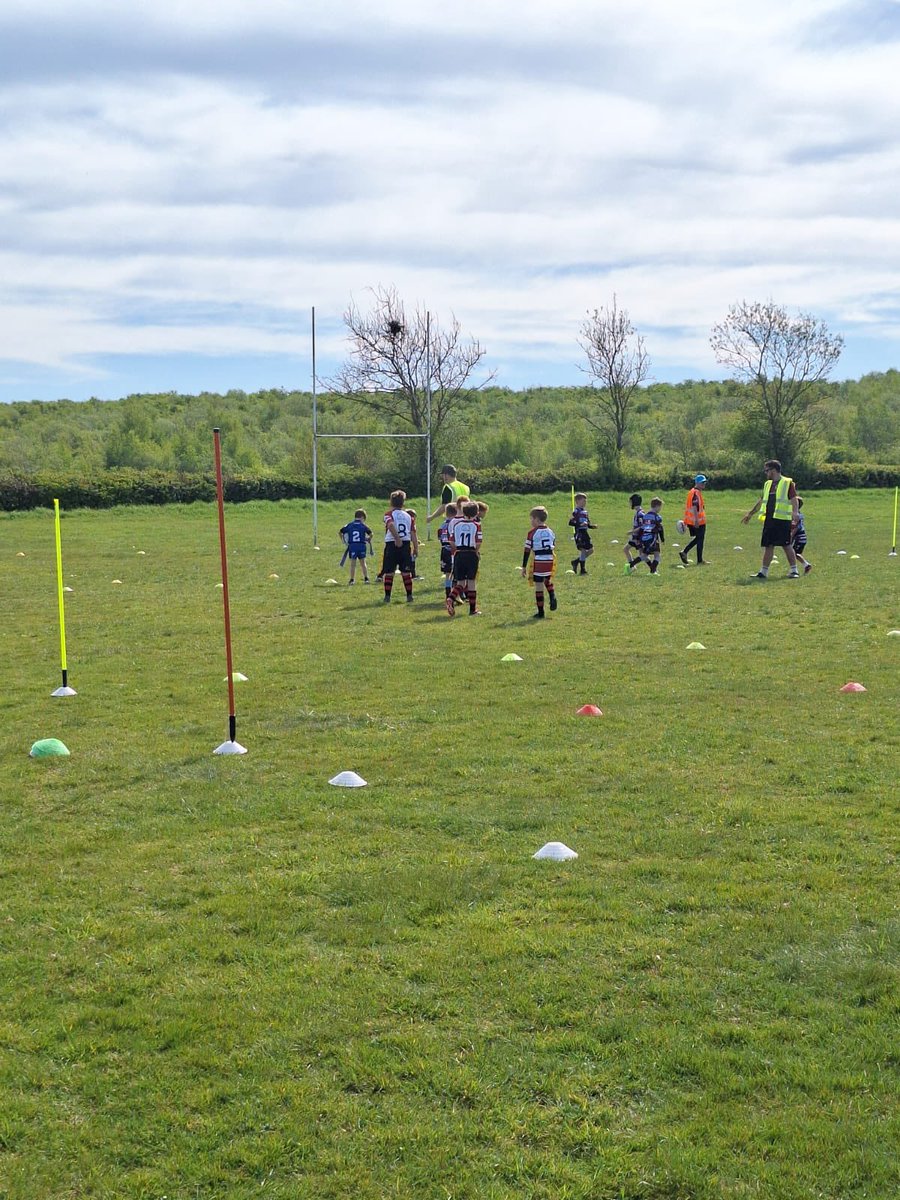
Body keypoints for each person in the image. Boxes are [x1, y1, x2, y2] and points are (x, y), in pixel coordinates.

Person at [742, 460, 800, 579]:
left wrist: (795, 512)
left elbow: (794, 499)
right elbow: (762, 500)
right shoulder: (768, 484)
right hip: (769, 520)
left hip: (782, 519)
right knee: (768, 545)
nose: (766, 473)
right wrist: (750, 513)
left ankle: (794, 570)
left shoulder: (787, 482)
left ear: (773, 470)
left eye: (767, 470)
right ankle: (763, 572)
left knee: (786, 544)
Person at [446, 501, 482, 616]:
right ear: (477, 513)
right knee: (471, 581)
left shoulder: (457, 525)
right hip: (471, 554)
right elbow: (478, 542)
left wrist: (457, 550)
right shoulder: (476, 525)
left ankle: (451, 598)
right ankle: (472, 609)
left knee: (460, 582)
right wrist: (475, 552)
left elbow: (451, 541)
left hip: (459, 554)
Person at [381, 489, 418, 602]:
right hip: (406, 545)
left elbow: (391, 525)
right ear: (403, 502)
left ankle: (387, 596)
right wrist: (416, 547)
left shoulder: (388, 514)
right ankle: (409, 595)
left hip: (392, 544)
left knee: (389, 572)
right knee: (406, 572)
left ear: (391, 502)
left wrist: (397, 538)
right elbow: (413, 533)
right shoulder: (408, 516)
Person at [521, 506, 558, 618]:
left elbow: (527, 550)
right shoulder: (551, 531)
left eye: (531, 519)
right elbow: (554, 544)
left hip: (539, 559)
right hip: (550, 558)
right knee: (546, 578)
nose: (531, 521)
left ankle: (541, 612)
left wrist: (523, 566)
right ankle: (552, 595)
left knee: (538, 585)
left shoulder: (532, 533)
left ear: (536, 519)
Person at [679, 474, 709, 565]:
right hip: (697, 521)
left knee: (699, 538)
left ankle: (685, 552)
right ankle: (698, 559)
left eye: (705, 482)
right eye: (702, 482)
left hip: (692, 520)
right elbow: (694, 506)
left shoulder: (693, 491)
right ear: (697, 483)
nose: (704, 484)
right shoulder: (696, 493)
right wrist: (696, 520)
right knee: (700, 539)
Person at [339, 509, 373, 584]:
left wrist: (343, 540)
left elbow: (340, 532)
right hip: (361, 546)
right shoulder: (363, 526)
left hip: (352, 546)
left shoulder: (349, 525)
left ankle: (352, 580)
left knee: (353, 564)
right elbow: (371, 534)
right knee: (363, 563)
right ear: (362, 517)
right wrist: (368, 539)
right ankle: (366, 578)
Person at [568, 492, 597, 574]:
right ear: (577, 501)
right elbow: (570, 522)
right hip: (579, 533)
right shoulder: (576, 512)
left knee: (591, 550)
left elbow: (587, 523)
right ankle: (582, 570)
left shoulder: (585, 512)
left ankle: (576, 561)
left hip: (585, 533)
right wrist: (579, 524)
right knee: (583, 550)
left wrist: (591, 526)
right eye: (583, 501)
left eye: (585, 501)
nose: (585, 503)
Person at [634, 497, 665, 573]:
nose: (660, 509)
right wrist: (662, 539)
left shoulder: (645, 516)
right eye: (660, 507)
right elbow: (660, 528)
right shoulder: (657, 517)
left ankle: (631, 564)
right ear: (657, 506)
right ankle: (652, 572)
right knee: (657, 556)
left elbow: (642, 528)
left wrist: (638, 538)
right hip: (653, 538)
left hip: (644, 538)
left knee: (644, 555)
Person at [437, 502, 458, 598]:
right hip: (452, 550)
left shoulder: (442, 525)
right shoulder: (455, 523)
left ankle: (447, 591)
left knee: (447, 573)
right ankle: (456, 593)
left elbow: (439, 537)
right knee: (456, 572)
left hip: (444, 549)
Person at [792, 497, 813, 574]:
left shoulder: (797, 516)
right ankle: (805, 565)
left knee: (794, 553)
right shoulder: (797, 514)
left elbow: (795, 528)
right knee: (794, 553)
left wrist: (791, 537)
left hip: (800, 538)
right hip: (799, 537)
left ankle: (806, 565)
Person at [624, 493, 644, 569]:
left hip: (638, 538)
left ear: (634, 502)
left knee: (642, 555)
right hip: (634, 537)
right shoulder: (637, 513)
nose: (630, 504)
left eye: (630, 502)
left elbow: (642, 526)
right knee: (626, 549)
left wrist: (632, 532)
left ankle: (653, 568)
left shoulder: (640, 514)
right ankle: (632, 567)